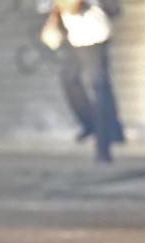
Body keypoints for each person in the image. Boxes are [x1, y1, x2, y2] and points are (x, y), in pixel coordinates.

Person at [41, 0, 124, 162]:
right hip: (75, 37)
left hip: (94, 35)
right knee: (70, 80)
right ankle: (96, 125)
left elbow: (75, 6)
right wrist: (52, 20)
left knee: (99, 87)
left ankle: (103, 147)